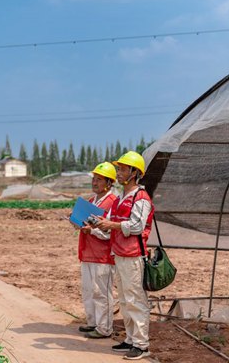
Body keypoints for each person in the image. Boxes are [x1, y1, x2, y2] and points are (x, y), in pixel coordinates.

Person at [95, 151, 154, 360]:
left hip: (133, 255)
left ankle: (141, 344)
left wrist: (112, 225)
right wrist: (98, 223)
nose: (118, 173)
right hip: (119, 254)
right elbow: (112, 221)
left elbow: (137, 226)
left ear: (134, 173)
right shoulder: (122, 197)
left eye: (122, 169)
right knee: (125, 299)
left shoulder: (141, 198)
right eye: (118, 169)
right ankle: (130, 339)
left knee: (135, 299)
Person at [76, 162, 118, 340]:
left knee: (101, 292)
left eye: (99, 179)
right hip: (88, 252)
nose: (94, 183)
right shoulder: (93, 201)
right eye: (94, 179)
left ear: (109, 183)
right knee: (88, 290)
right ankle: (92, 322)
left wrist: (92, 230)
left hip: (103, 255)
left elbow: (111, 233)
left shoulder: (113, 203)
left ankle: (104, 328)